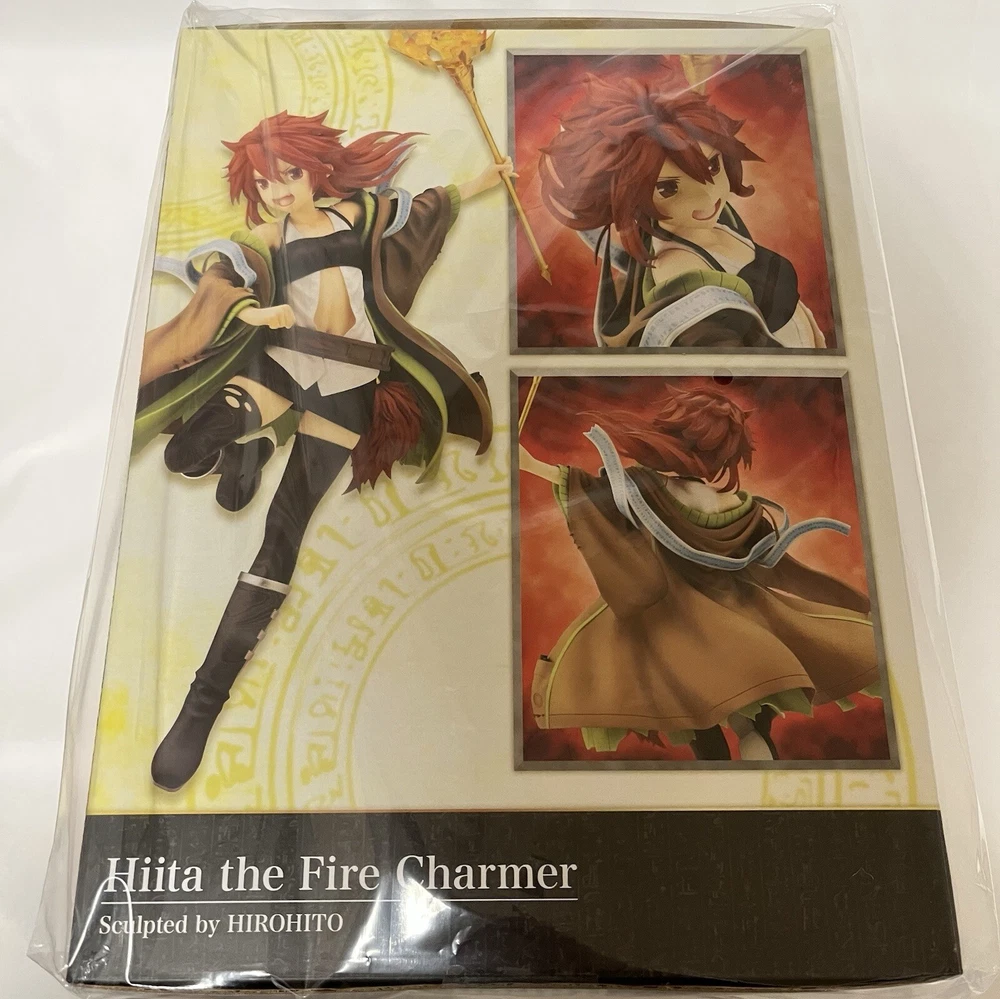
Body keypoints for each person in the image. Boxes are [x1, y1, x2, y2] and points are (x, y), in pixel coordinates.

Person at [136, 110, 506, 790]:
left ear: (316, 171)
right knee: (183, 455)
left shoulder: (358, 216)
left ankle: (200, 708)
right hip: (283, 363)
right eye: (265, 183)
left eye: (289, 175)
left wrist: (483, 181)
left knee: (281, 541)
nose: (278, 190)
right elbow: (223, 267)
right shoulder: (267, 236)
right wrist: (251, 311)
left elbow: (423, 208)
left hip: (350, 385)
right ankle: (241, 453)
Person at [519, 384, 880, 761]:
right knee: (748, 721)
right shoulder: (741, 506)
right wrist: (854, 602)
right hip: (748, 623)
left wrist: (530, 464)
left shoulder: (649, 488)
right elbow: (783, 573)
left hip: (675, 626)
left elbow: (591, 491)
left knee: (698, 719)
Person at [538, 75, 827, 349]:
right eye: (668, 188)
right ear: (631, 197)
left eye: (712, 165)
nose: (707, 196)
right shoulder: (682, 269)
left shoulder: (717, 220)